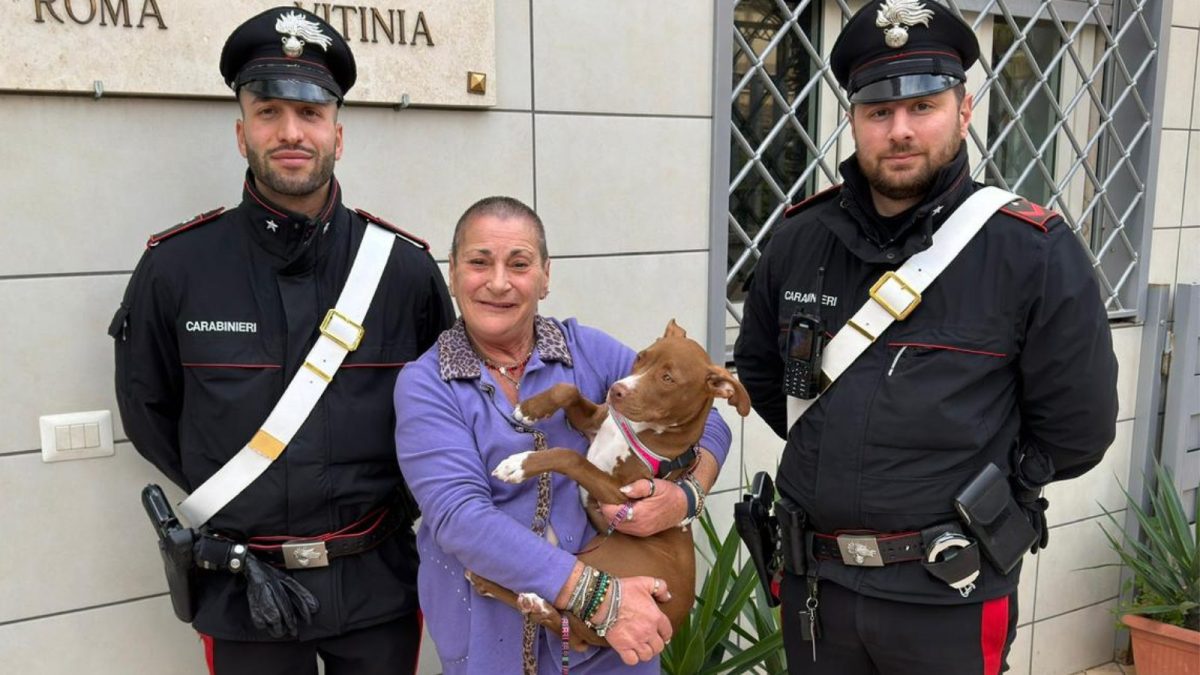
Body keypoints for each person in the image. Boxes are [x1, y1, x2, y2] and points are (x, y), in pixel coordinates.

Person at [733, 1, 1118, 673]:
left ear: (964, 111)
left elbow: (1077, 429)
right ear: (854, 121)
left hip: (949, 593)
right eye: (879, 112)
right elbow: (765, 375)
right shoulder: (800, 239)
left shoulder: (1031, 251)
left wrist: (992, 497)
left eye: (923, 107)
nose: (900, 130)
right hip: (816, 588)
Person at [110, 7, 453, 674]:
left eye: (311, 112)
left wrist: (384, 513)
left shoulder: (404, 270)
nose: (291, 131)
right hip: (244, 590)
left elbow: (445, 411)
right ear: (242, 132)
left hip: (377, 586)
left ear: (338, 133)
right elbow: (148, 411)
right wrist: (245, 504)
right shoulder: (176, 268)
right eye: (269, 111)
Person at [393, 196, 733, 674]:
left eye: (519, 263)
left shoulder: (583, 349)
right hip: (495, 649)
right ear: (452, 273)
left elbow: (706, 416)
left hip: (615, 654)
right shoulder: (427, 384)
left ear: (545, 276)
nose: (498, 282)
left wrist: (686, 495)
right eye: (478, 262)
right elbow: (459, 517)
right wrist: (597, 596)